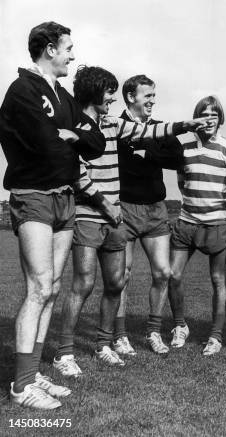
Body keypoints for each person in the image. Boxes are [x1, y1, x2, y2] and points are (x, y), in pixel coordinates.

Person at [52, 66, 210, 377]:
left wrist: (185, 125)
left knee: (115, 283)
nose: (111, 97)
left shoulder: (112, 124)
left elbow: (148, 132)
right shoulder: (76, 127)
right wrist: (104, 204)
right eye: (108, 92)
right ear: (95, 94)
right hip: (89, 215)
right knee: (83, 283)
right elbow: (75, 173)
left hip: (114, 217)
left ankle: (104, 344)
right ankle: (64, 353)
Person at [0, 22, 106, 409]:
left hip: (65, 197)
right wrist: (65, 134)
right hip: (34, 196)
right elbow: (45, 145)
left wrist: (73, 134)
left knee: (54, 287)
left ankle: (33, 374)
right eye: (68, 49)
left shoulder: (61, 93)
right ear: (48, 49)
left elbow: (95, 142)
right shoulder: (22, 90)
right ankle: (21, 387)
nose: (72, 56)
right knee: (39, 287)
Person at [167, 95, 226, 355]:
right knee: (173, 275)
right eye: (204, 114)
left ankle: (215, 336)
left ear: (220, 118)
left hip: (217, 225)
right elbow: (181, 182)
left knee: (217, 279)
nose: (209, 118)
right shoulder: (184, 147)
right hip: (186, 223)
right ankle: (180, 326)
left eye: (214, 114)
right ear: (197, 118)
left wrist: (223, 208)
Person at [113, 75, 184, 356]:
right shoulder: (115, 127)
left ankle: (153, 331)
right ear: (131, 97)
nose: (153, 101)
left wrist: (148, 152)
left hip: (156, 209)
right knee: (122, 275)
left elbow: (178, 159)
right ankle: (119, 336)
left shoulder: (160, 129)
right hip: (124, 208)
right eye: (148, 95)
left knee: (163, 272)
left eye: (154, 95)